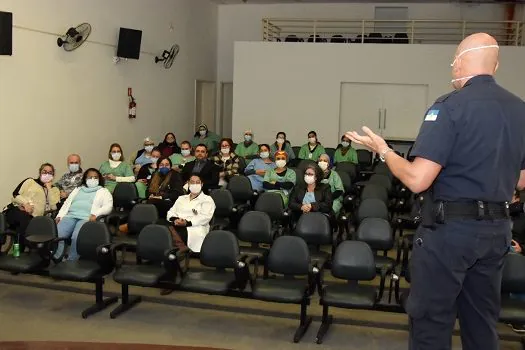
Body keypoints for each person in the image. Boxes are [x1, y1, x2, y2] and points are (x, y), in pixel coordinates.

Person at [346, 33, 525, 350]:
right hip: (496, 232)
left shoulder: (449, 107)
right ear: (494, 65)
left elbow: (418, 180)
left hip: (451, 233)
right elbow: (521, 181)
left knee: (431, 324)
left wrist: (385, 151)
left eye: (454, 61)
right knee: (482, 325)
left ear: (464, 60)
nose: (452, 68)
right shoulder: (519, 110)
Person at [54, 169, 113, 261]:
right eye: (90, 177)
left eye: (95, 177)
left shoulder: (104, 191)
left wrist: (96, 214)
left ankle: (72, 260)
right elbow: (67, 203)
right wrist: (59, 215)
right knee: (58, 233)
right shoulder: (78, 189)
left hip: (87, 218)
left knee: (76, 237)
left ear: (99, 179)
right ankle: (57, 257)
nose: (93, 179)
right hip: (70, 216)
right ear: (85, 178)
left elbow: (108, 207)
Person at [4, 163, 60, 253]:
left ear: (53, 175)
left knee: (23, 225)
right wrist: (25, 204)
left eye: (50, 173)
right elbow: (15, 194)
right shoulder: (30, 181)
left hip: (33, 218)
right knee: (24, 218)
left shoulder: (55, 190)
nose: (47, 174)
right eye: (44, 172)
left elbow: (54, 206)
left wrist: (49, 188)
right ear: (40, 172)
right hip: (17, 209)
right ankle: (28, 246)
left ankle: (18, 253)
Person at [166, 174, 215, 253]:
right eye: (192, 182)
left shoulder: (207, 199)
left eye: (197, 182)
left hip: (194, 228)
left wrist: (187, 222)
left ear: (202, 184)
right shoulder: (181, 198)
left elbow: (205, 217)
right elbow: (171, 211)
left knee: (167, 231)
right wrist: (175, 219)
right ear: (188, 184)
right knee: (160, 225)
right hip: (177, 224)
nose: (195, 184)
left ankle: (179, 249)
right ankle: (180, 247)